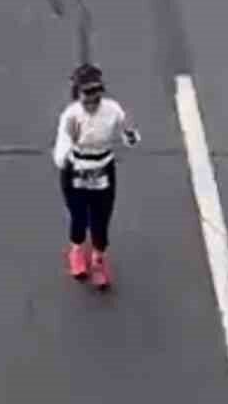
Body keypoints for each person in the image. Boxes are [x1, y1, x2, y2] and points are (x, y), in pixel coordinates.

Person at [52, 63, 140, 290]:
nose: (92, 98)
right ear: (78, 93)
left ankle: (98, 260)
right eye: (87, 93)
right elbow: (61, 151)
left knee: (101, 220)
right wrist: (69, 153)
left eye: (96, 91)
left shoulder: (112, 110)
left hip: (102, 170)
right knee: (79, 217)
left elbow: (131, 139)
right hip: (77, 172)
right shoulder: (71, 116)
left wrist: (130, 133)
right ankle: (77, 250)